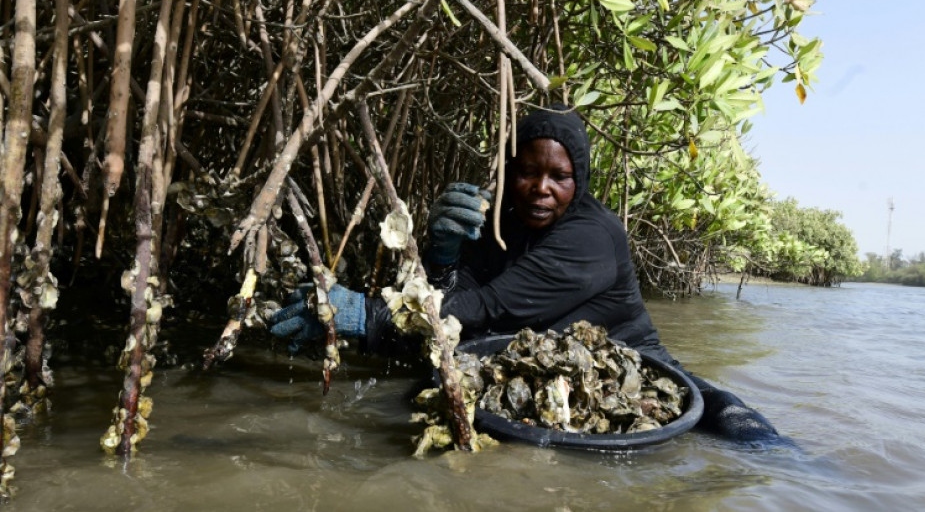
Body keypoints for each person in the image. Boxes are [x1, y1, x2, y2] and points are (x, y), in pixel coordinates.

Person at [271, 104, 786, 445]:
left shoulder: (594, 236)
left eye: (559, 177)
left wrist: (368, 315)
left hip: (631, 366)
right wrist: (444, 253)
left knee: (732, 424)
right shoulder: (501, 223)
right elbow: (456, 303)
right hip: (525, 364)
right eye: (526, 172)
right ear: (508, 172)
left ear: (577, 179)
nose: (541, 188)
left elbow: (492, 308)